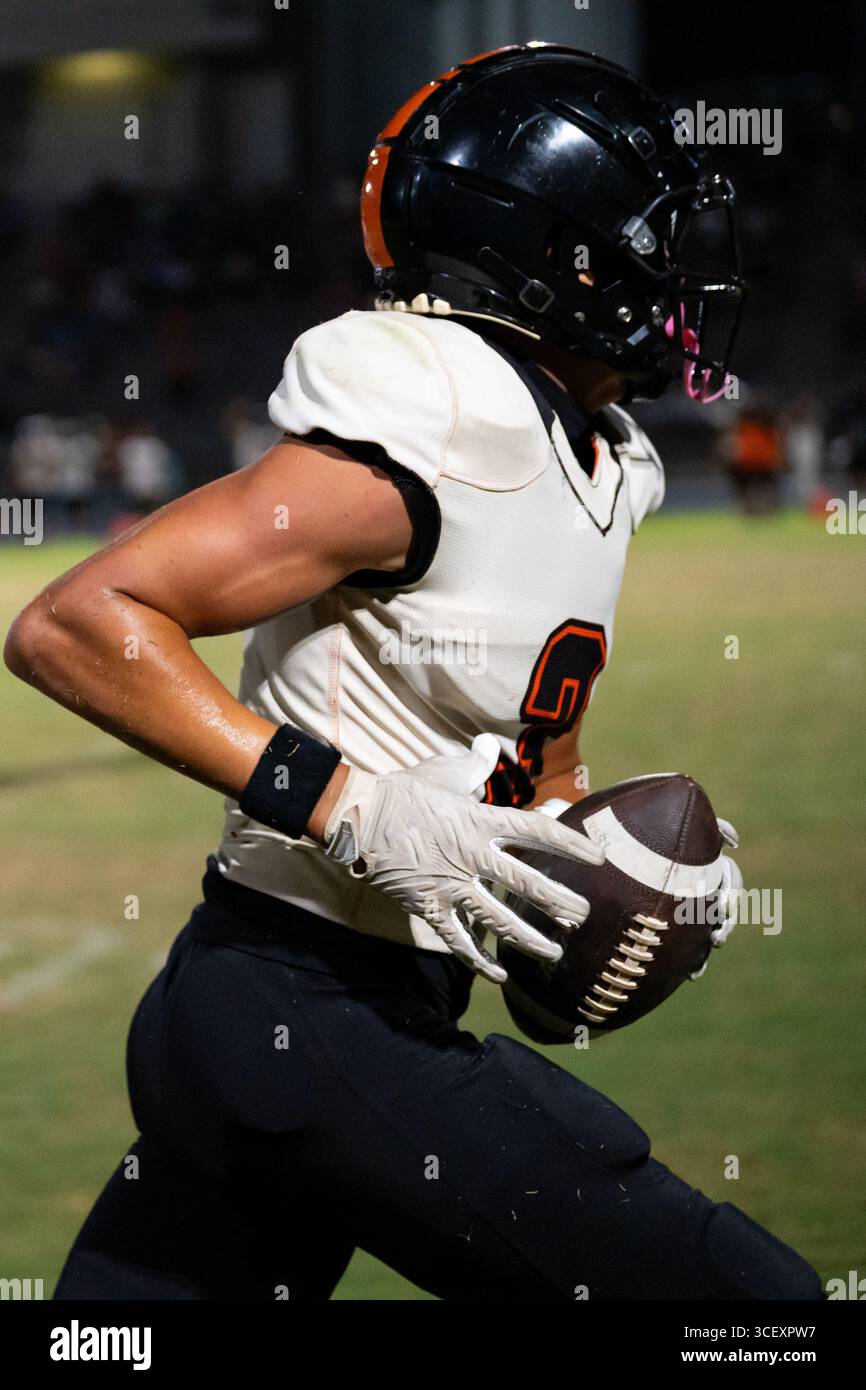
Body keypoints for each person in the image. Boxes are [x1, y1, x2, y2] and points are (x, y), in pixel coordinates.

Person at [5, 44, 821, 1301]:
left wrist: (609, 874)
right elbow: (76, 619)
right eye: (647, 236)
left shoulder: (598, 454)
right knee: (743, 1307)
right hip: (302, 1000)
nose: (681, 271)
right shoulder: (440, 416)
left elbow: (529, 764)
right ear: (561, 254)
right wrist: (349, 804)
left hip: (353, 1008)